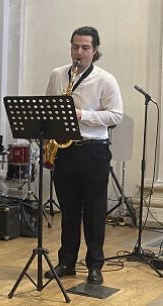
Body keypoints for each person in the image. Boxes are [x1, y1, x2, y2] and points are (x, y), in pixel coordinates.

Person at [44, 26, 123, 286]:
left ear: (95, 50)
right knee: (68, 211)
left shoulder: (105, 79)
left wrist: (83, 115)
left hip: (94, 151)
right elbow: (48, 108)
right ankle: (66, 262)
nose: (79, 52)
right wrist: (48, 143)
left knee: (94, 211)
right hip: (65, 152)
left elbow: (116, 115)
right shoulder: (58, 75)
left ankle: (94, 265)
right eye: (75, 46)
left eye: (85, 47)